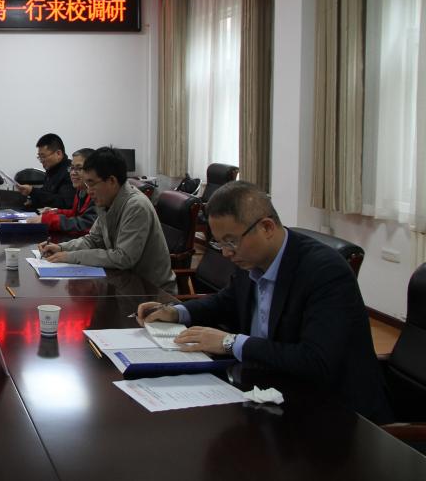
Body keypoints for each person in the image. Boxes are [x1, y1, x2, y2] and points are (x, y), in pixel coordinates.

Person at [135, 181, 392, 424]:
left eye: (231, 241)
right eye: (219, 242)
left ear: (267, 228)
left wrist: (229, 343)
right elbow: (226, 301)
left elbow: (315, 360)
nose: (226, 253)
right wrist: (176, 312)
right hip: (267, 390)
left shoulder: (324, 272)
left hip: (333, 414)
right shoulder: (251, 260)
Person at [39, 146, 174, 293]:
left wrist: (70, 257)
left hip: (151, 293)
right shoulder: (107, 200)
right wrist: (61, 248)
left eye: (91, 183)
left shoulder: (136, 206)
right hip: (123, 285)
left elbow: (123, 258)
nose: (89, 191)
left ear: (111, 181)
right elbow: (93, 239)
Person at [26, 147, 97, 238]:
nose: (73, 173)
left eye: (79, 168)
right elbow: (75, 214)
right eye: (72, 168)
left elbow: (87, 225)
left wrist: (50, 220)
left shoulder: (97, 194)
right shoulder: (81, 190)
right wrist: (57, 211)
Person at [15, 133, 75, 209]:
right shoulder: (52, 169)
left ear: (58, 154)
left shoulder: (71, 172)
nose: (41, 161)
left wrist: (33, 191)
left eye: (43, 156)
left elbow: (63, 203)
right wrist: (33, 200)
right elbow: (46, 194)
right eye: (39, 157)